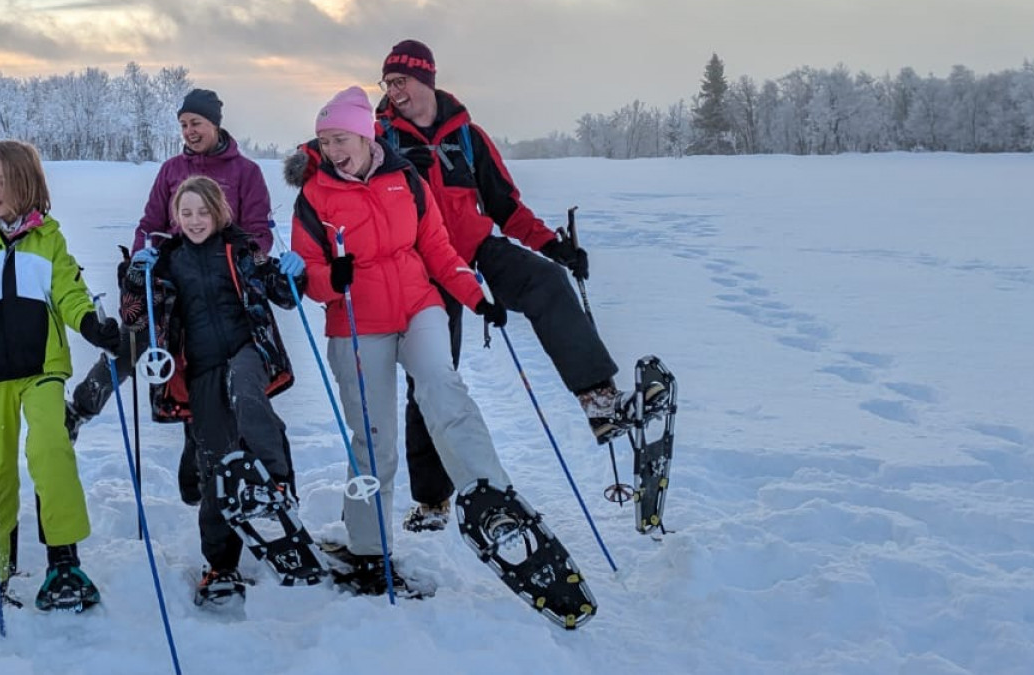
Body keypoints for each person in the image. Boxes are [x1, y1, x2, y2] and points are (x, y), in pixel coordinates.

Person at [373, 40, 661, 532]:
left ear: (427, 79)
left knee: (546, 282)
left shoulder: (468, 138)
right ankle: (431, 500)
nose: (394, 92)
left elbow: (505, 207)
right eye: (388, 84)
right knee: (434, 374)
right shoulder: (381, 141)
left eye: (401, 81)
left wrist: (554, 247)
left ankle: (599, 399)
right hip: (422, 268)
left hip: (477, 250)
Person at [284, 85, 542, 597]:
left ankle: (492, 495)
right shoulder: (314, 195)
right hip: (358, 322)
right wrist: (330, 278)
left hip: (418, 304)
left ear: (366, 133)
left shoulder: (406, 179)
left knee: (442, 387)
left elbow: (438, 248)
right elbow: (307, 273)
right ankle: (368, 548)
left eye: (342, 138)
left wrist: (476, 297)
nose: (335, 150)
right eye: (326, 140)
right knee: (373, 439)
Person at [0, 139, 122, 613]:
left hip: (42, 367)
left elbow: (70, 293)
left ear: (27, 186)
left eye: (3, 182)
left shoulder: (48, 239)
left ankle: (64, 560)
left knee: (49, 449)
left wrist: (93, 326)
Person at [63, 88, 275, 507]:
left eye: (196, 123)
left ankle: (201, 457)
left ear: (215, 123)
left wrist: (245, 261)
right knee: (134, 339)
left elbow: (259, 231)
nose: (189, 131)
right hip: (172, 278)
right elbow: (150, 222)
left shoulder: (245, 172)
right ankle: (83, 405)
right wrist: (143, 256)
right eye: (183, 125)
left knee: (203, 370)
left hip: (221, 287)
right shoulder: (172, 170)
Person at [138, 176, 311, 608]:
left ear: (219, 212)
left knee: (249, 398)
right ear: (175, 217)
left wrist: (294, 273)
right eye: (186, 212)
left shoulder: (241, 247)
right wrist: (133, 276)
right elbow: (135, 314)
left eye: (203, 211)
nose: (195, 220)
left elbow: (284, 296)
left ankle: (276, 483)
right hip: (198, 369)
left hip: (245, 349)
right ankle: (220, 564)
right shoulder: (167, 260)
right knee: (216, 462)